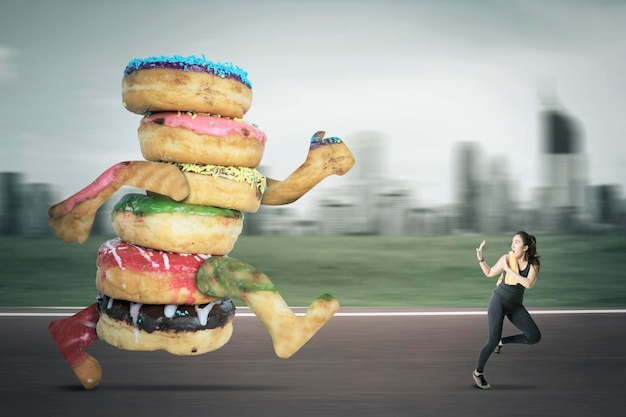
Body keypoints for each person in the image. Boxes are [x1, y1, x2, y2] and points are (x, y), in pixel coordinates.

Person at [472, 231, 542, 389]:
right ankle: (478, 373)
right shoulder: (506, 258)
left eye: (516, 242)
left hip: (515, 305)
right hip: (498, 301)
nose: (512, 245)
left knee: (534, 336)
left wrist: (509, 271)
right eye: (512, 242)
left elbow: (528, 283)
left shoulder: (534, 264)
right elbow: (489, 272)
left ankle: (503, 341)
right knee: (492, 340)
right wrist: (480, 258)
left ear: (525, 247)